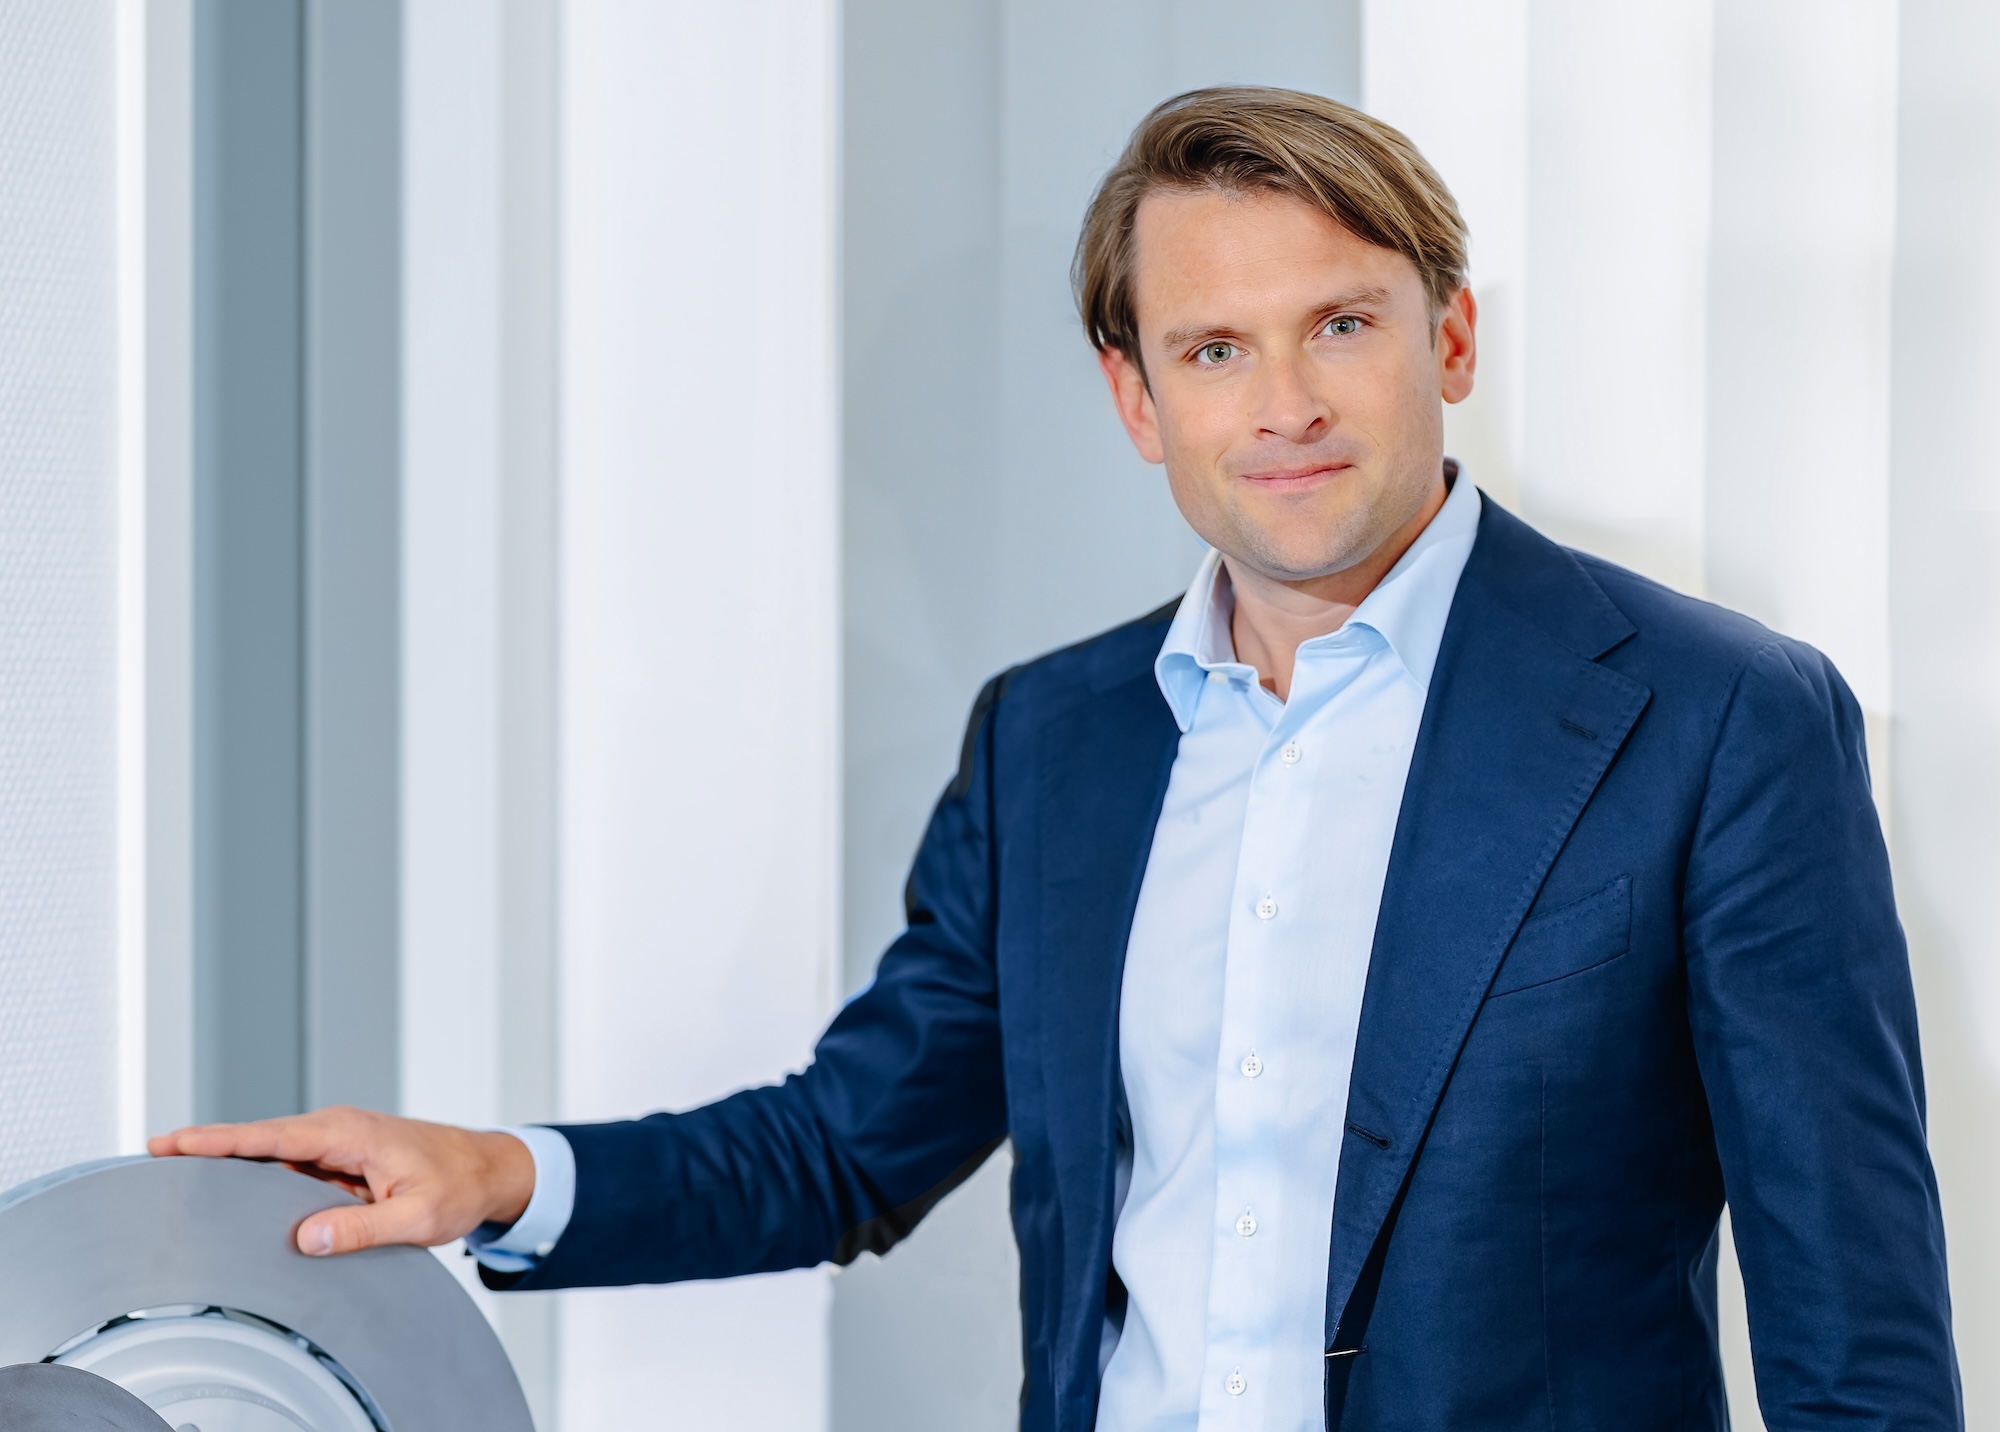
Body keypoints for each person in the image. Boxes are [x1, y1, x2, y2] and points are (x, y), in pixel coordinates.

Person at [151, 88, 1962, 1430]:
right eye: (1214, 349)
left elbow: (1855, 1327)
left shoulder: (1717, 720)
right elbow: (848, 1146)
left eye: (1342, 323)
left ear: (1450, 337)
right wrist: (490, 1173)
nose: (1287, 405)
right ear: (1137, 398)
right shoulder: (1057, 743)